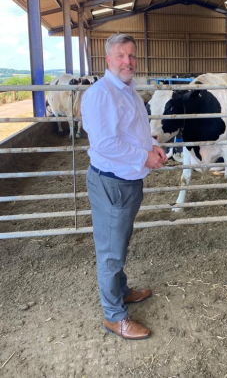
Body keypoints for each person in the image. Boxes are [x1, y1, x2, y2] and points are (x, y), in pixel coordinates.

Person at [81, 33, 167, 340]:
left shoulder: (128, 91)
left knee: (120, 243)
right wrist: (144, 157)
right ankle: (114, 316)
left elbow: (133, 132)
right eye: (120, 55)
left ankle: (121, 290)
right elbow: (106, 145)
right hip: (112, 183)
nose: (127, 61)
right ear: (108, 59)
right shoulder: (101, 94)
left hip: (128, 181)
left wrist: (152, 145)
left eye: (131, 55)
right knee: (110, 252)